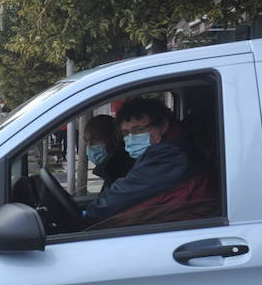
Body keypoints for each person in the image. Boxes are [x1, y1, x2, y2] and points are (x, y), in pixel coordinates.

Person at [82, 97, 213, 228]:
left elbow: (123, 198)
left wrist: (87, 216)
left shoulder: (169, 156)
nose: (131, 138)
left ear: (163, 125)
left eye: (138, 129)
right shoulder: (169, 149)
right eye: (126, 133)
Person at [84, 114, 134, 187]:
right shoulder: (109, 172)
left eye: (95, 139)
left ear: (115, 139)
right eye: (86, 141)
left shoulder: (121, 172)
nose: (90, 145)